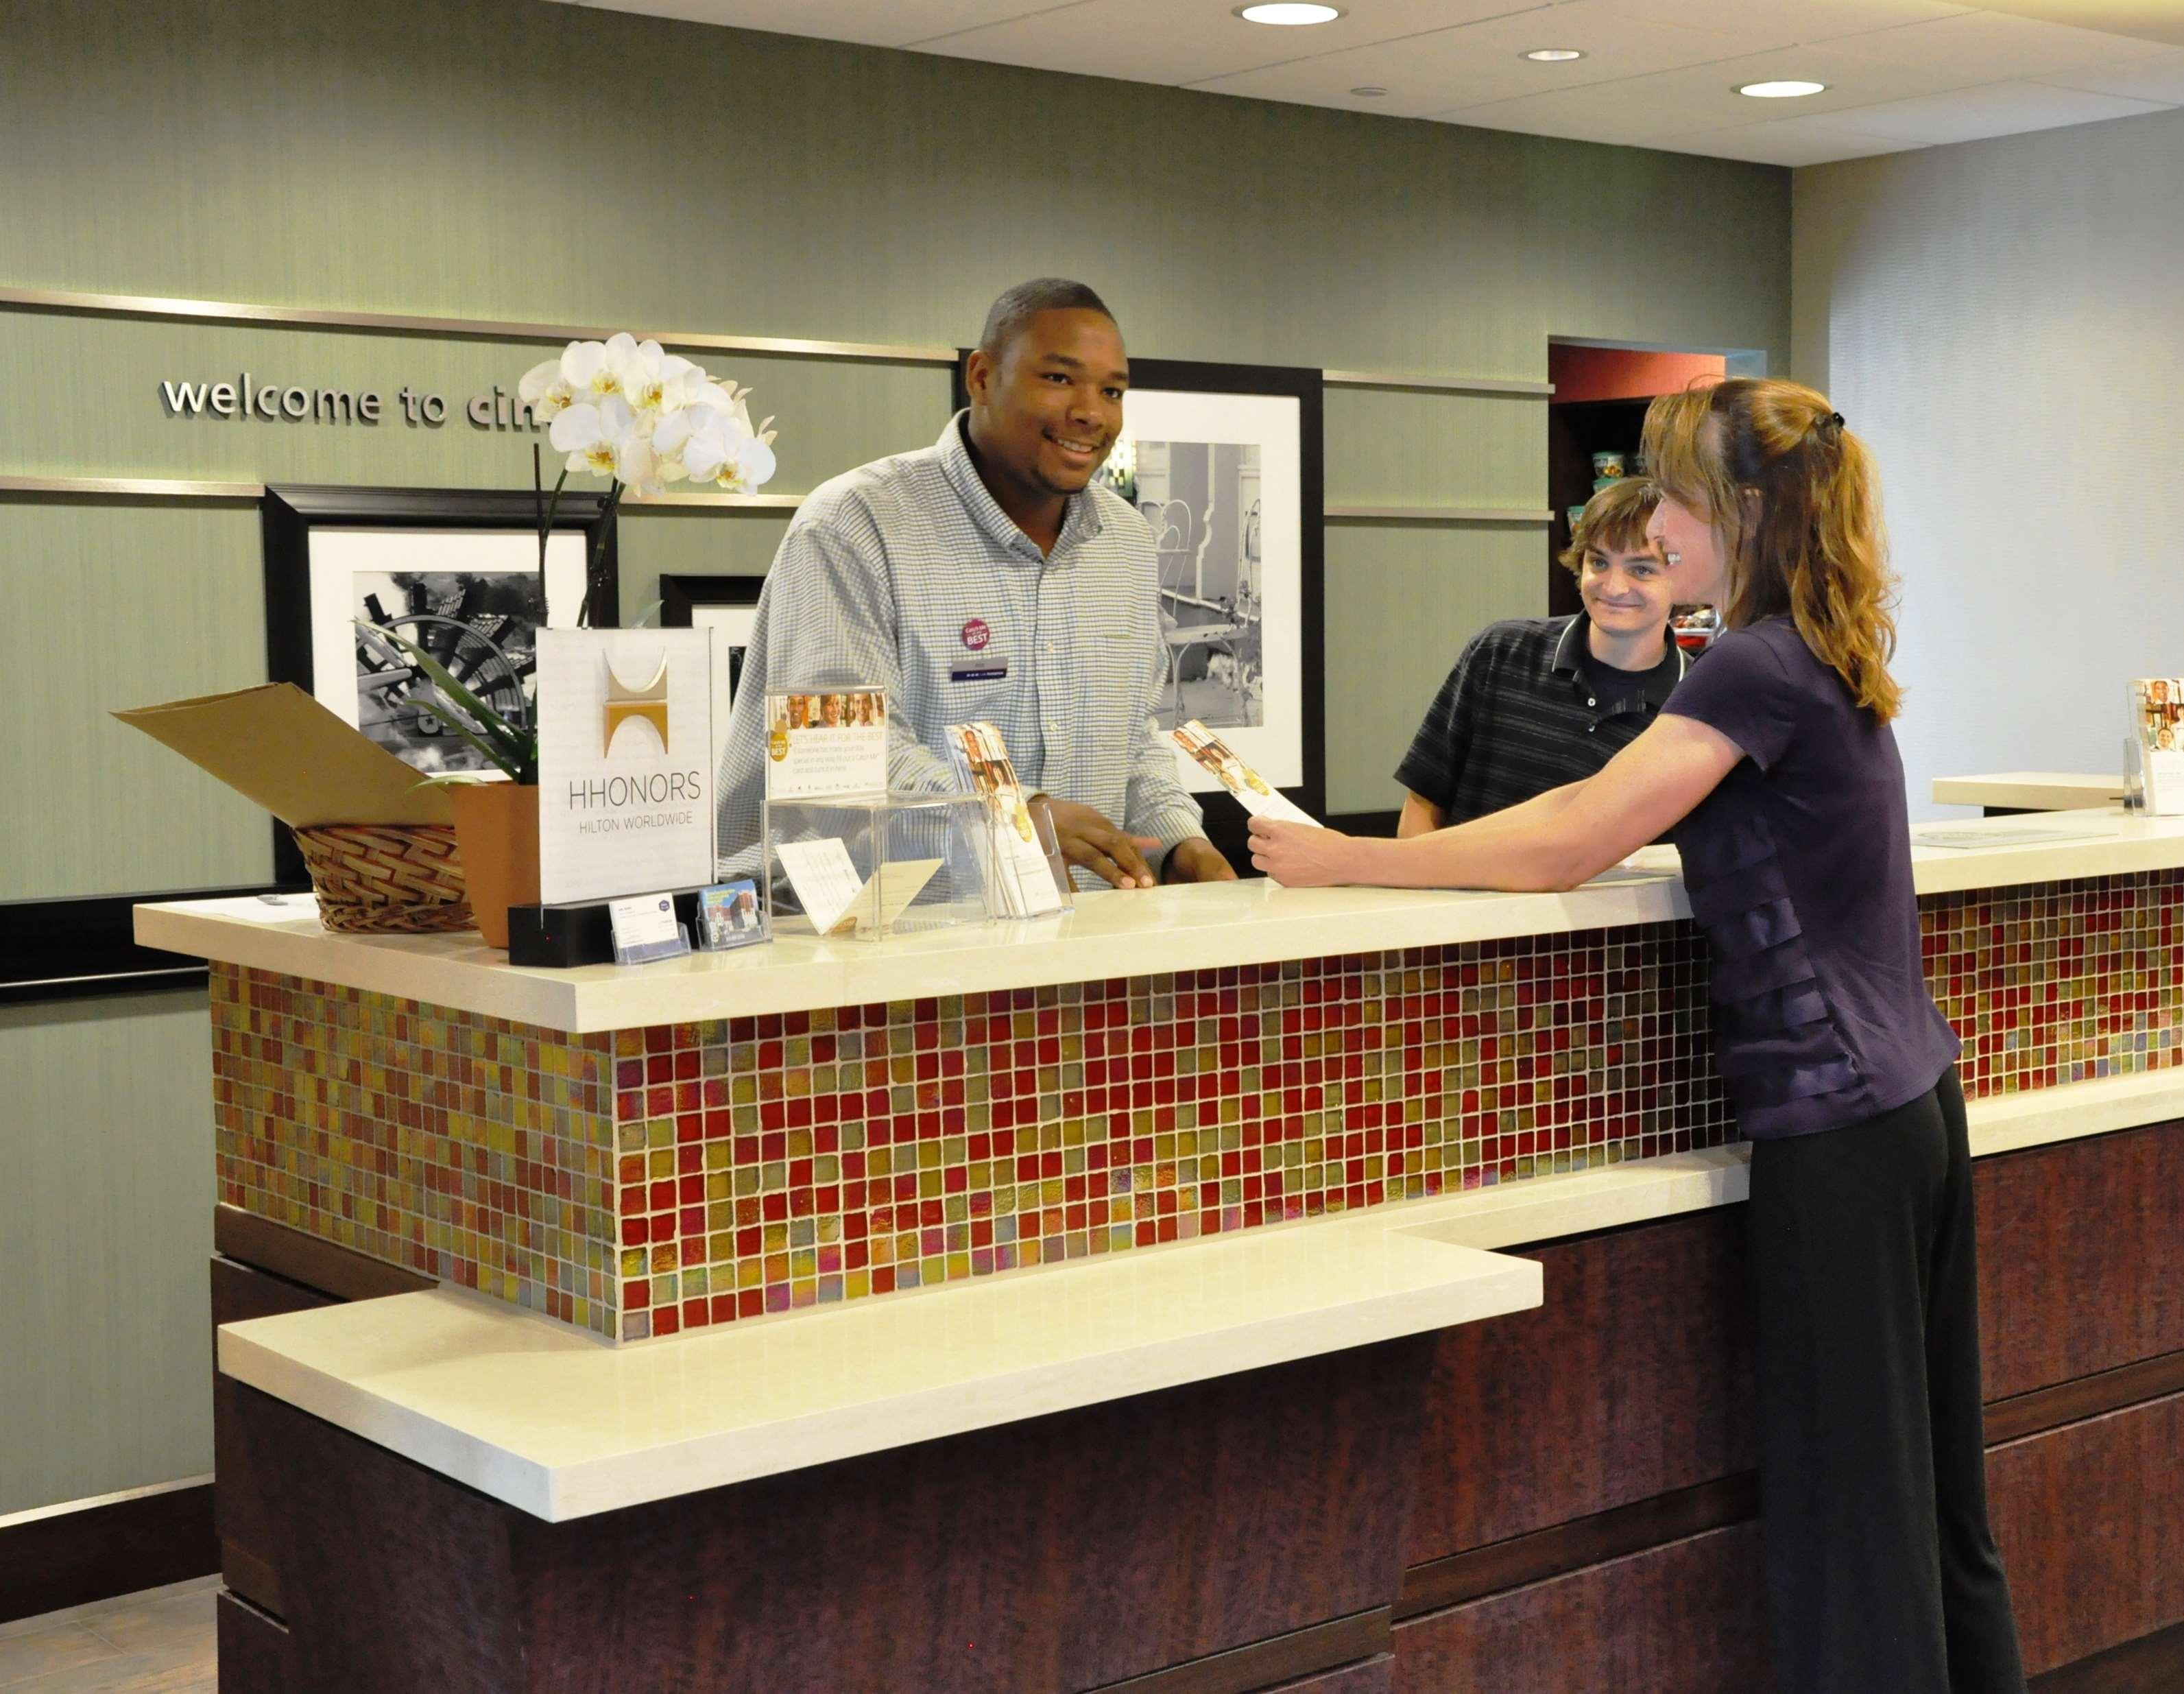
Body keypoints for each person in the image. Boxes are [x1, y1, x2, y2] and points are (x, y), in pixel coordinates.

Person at [1247, 379, 2027, 1694]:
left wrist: (1342, 862)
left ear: (1737, 510)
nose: (1653, 521)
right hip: (1910, 1104)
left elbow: (1573, 833)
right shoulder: (1823, 644)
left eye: (1672, 493)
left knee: (1853, 1512)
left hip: (1835, 1122)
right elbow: (1592, 805)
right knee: (1930, 1489)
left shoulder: (1751, 663)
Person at [715, 278, 1236, 890]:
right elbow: (838, 758)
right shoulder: (854, 525)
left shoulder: (1124, 541)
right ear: (983, 376)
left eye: (1112, 390)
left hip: (1079, 947)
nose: (1091, 412)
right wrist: (1015, 816)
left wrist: (1180, 842)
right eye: (1059, 379)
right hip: (865, 946)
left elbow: (1134, 742)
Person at [1393, 477, 1690, 835]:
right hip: (1460, 889)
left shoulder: (1697, 701)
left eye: (1641, 569)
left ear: (1684, 577)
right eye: (1598, 563)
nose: (1613, 587)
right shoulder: (1499, 652)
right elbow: (1424, 799)